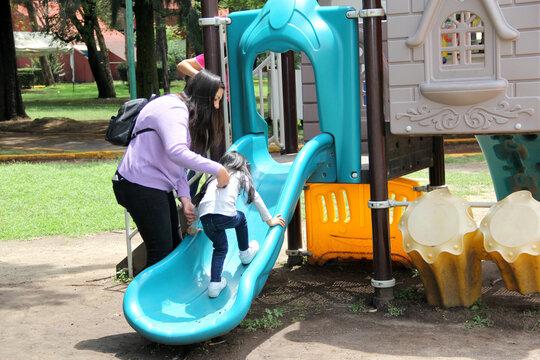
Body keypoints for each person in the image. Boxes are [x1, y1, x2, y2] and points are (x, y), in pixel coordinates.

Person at [112, 70, 230, 270]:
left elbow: (176, 163)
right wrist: (217, 169)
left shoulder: (179, 109)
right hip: (139, 185)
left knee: (172, 248)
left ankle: (163, 298)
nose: (217, 106)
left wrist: (184, 196)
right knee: (161, 253)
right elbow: (176, 152)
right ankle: (147, 300)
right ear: (202, 95)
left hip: (154, 186)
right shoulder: (173, 108)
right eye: (215, 100)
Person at [191, 151, 286, 298]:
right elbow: (255, 196)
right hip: (225, 216)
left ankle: (214, 285)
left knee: (220, 247)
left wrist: (192, 227)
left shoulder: (212, 177)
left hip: (205, 219)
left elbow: (199, 204)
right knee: (240, 218)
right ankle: (245, 253)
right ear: (241, 166)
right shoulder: (240, 174)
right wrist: (269, 220)